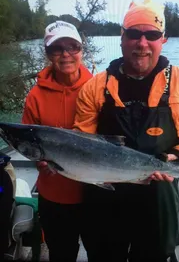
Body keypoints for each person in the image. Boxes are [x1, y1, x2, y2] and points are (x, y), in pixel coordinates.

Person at [73, 0, 179, 262]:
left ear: (163, 39)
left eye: (151, 35)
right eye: (134, 34)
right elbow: (83, 143)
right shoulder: (94, 88)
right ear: (122, 36)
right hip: (106, 198)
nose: (142, 43)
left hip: (158, 199)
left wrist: (174, 155)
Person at [22, 20, 93, 261]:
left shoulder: (98, 88)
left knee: (102, 251)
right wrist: (38, 162)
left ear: (81, 50)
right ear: (48, 54)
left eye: (72, 47)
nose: (66, 54)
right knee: (61, 254)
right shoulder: (35, 96)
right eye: (57, 49)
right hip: (54, 197)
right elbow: (28, 144)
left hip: (95, 194)